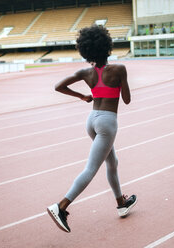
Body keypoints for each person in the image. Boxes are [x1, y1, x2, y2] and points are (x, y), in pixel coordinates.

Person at [47, 25, 137, 233]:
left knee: (112, 163)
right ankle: (61, 206)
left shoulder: (85, 72)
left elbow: (58, 86)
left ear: (86, 50)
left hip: (92, 121)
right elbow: (127, 100)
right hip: (107, 122)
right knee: (91, 169)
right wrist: (121, 83)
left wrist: (83, 96)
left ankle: (121, 203)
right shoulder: (119, 69)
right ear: (107, 46)